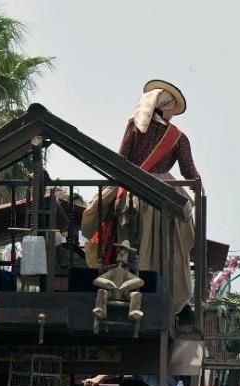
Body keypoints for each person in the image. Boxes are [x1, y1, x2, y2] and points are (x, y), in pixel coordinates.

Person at [82, 80, 197, 314]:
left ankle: (121, 289)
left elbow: (121, 158)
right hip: (164, 194)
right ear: (166, 108)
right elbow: (189, 172)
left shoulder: (134, 126)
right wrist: (199, 188)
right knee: (168, 245)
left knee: (127, 242)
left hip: (131, 192)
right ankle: (158, 291)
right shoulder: (178, 137)